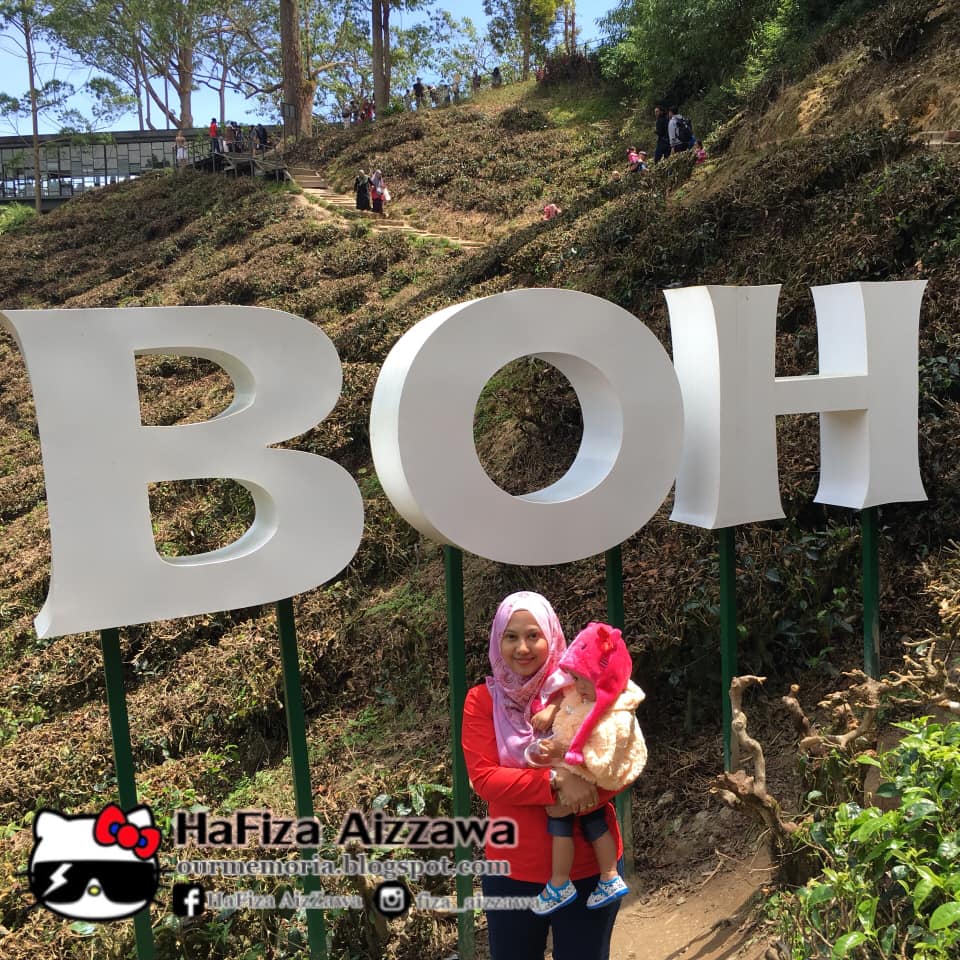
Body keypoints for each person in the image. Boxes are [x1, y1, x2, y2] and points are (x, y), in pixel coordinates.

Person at [462, 592, 625, 960]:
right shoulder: (481, 702)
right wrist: (557, 782)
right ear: (496, 641)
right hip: (512, 871)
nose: (523, 647)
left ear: (551, 636)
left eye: (533, 635)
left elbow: (622, 763)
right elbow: (486, 779)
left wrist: (589, 782)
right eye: (511, 636)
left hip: (589, 867)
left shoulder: (583, 688)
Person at [526, 622, 647, 914]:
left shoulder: (612, 716)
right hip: (573, 772)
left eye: (585, 679)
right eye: (576, 678)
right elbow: (567, 708)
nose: (578, 686)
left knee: (565, 824)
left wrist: (562, 755)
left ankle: (572, 881)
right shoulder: (585, 699)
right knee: (591, 826)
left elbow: (602, 757)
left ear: (606, 678)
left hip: (587, 778)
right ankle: (599, 877)